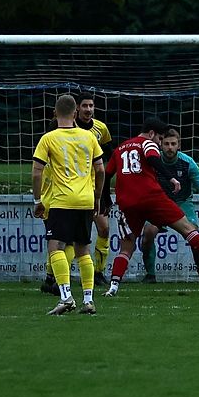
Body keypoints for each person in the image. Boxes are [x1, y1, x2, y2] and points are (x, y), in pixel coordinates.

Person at [100, 117, 199, 297]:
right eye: (160, 139)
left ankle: (113, 286)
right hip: (151, 198)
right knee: (188, 229)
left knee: (126, 247)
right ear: (152, 133)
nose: (160, 144)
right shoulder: (147, 143)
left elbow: (106, 174)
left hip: (127, 202)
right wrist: (171, 178)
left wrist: (106, 200)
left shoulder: (120, 148)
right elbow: (153, 159)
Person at [31, 95, 105, 315]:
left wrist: (38, 200)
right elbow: (100, 169)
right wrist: (97, 197)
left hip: (62, 200)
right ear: (75, 113)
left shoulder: (49, 138)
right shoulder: (89, 137)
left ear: (55, 113)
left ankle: (66, 297)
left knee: (56, 247)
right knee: (83, 249)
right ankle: (88, 300)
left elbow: (37, 172)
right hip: (86, 200)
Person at [140, 128, 199, 284]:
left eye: (173, 144)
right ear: (160, 144)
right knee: (148, 233)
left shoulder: (188, 163)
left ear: (179, 145)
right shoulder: (153, 161)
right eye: (166, 144)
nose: (170, 147)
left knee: (194, 233)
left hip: (182, 203)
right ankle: (150, 274)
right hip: (159, 204)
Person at [75, 92, 113, 287]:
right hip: (76, 186)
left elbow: (108, 157)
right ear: (77, 108)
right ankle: (53, 274)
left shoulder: (101, 128)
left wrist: (106, 188)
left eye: (91, 105)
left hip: (97, 185)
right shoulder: (69, 127)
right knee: (75, 234)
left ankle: (99, 272)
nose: (88, 109)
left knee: (104, 228)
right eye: (84, 105)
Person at [39, 112, 76, 296]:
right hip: (63, 201)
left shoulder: (45, 153)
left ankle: (50, 277)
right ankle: (61, 281)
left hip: (47, 202)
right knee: (68, 244)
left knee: (54, 243)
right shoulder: (65, 156)